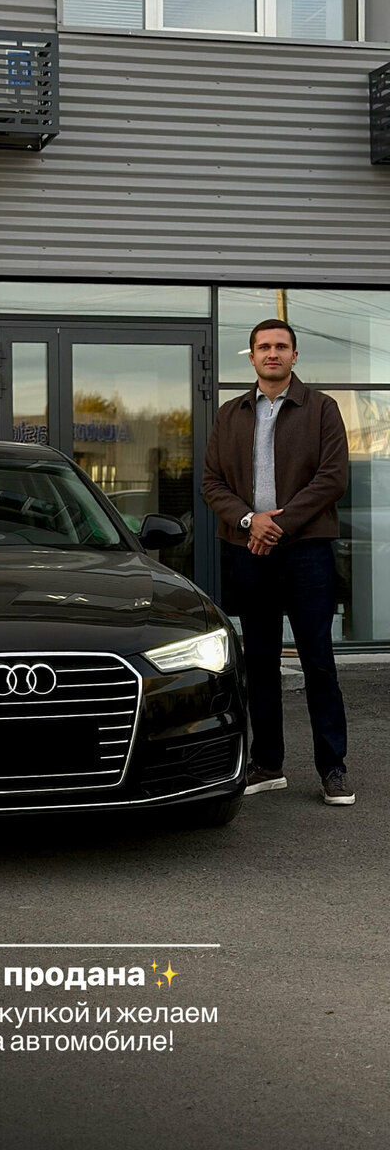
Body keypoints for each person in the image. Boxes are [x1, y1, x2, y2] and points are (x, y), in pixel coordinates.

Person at [201, 319, 354, 805]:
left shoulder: (322, 409)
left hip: (307, 552)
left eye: (281, 346)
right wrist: (251, 521)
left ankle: (333, 768)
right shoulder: (230, 414)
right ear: (251, 357)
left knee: (318, 662)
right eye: (264, 347)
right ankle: (268, 763)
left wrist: (277, 525)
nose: (273, 353)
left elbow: (332, 478)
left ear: (294, 355)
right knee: (261, 661)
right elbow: (211, 483)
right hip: (249, 550)